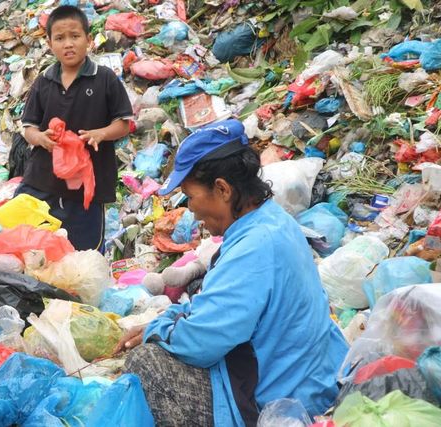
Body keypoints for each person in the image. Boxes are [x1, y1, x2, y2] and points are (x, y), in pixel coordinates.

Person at [115, 119, 349, 427]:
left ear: (222, 189)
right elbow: (216, 302)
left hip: (284, 400)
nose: (192, 211)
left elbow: (201, 343)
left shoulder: (254, 247)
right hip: (309, 375)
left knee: (147, 362)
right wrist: (162, 320)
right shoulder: (272, 219)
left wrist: (154, 330)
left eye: (191, 196)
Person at [19, 5, 132, 251]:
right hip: (42, 179)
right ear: (50, 43)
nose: (68, 44)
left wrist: (101, 134)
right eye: (60, 38)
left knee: (83, 255)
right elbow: (28, 127)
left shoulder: (104, 79)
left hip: (87, 187)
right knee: (29, 247)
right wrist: (40, 138)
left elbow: (123, 123)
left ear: (89, 40)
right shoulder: (44, 81)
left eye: (75, 36)